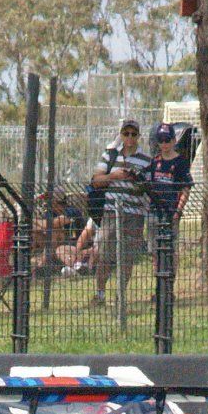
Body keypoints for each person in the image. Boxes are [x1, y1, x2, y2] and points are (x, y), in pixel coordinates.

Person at [79, 120, 152, 306]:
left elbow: (149, 187)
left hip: (134, 213)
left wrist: (137, 182)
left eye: (133, 134)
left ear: (138, 136)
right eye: (126, 133)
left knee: (127, 257)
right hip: (111, 212)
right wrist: (114, 176)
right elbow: (96, 180)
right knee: (104, 254)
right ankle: (100, 294)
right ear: (121, 135)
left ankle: (121, 295)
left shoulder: (145, 159)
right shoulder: (109, 155)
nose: (129, 137)